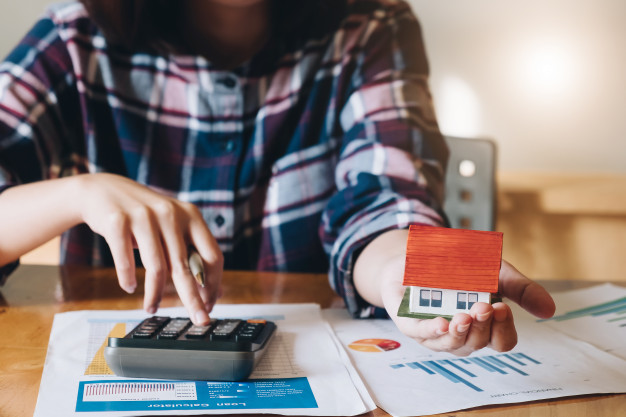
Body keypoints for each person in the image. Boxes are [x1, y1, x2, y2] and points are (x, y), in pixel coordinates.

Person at [0, 0, 554, 357]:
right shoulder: (73, 39)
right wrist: (76, 193)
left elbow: (385, 196)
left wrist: (405, 273)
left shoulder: (372, 26)